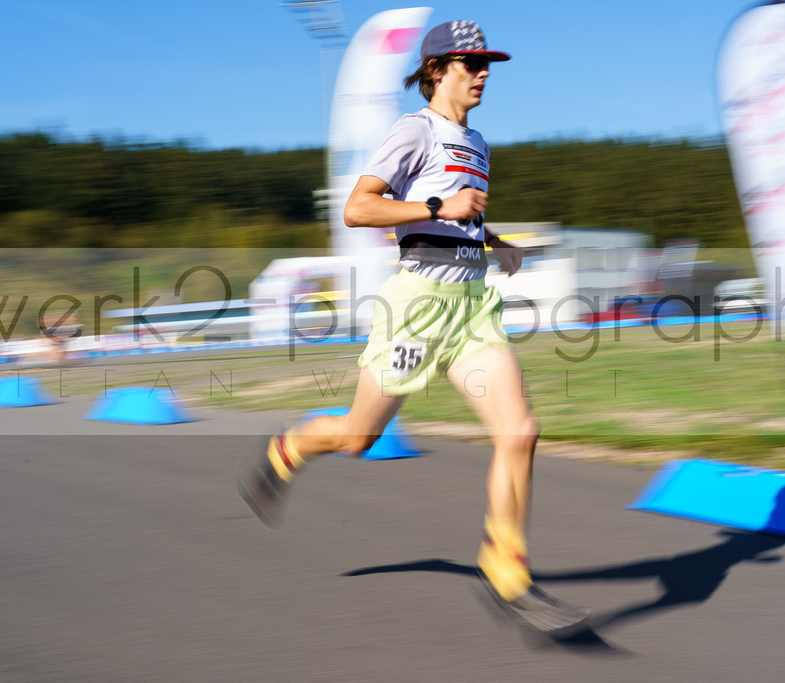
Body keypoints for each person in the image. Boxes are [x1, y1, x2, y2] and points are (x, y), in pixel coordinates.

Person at [239, 20, 589, 635]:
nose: (484, 74)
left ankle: (505, 568)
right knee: (358, 437)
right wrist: (436, 206)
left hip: (471, 306)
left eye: (487, 64)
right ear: (435, 69)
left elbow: (461, 214)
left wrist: (496, 241)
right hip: (417, 308)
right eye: (471, 64)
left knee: (520, 431)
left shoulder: (477, 142)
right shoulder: (413, 130)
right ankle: (287, 448)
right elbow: (359, 209)